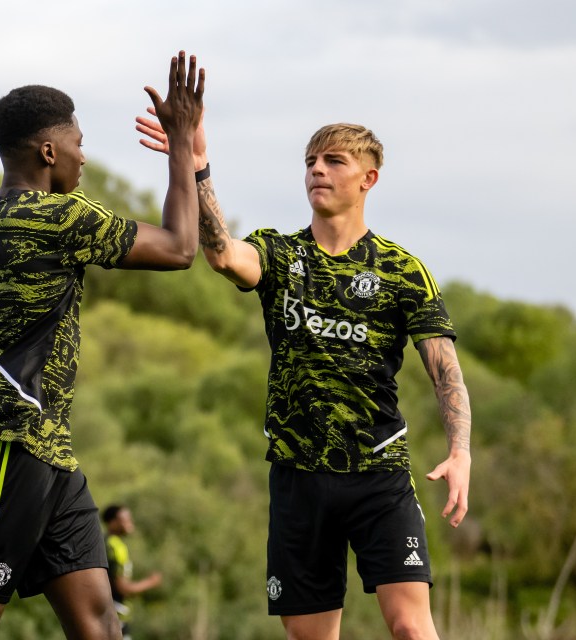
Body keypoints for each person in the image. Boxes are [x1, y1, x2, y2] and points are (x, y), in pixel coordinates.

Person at [0, 51, 203, 640]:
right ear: (48, 152)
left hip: (50, 455)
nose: (83, 156)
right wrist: (182, 142)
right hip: (2, 451)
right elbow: (179, 247)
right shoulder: (60, 217)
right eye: (78, 143)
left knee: (99, 625)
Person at [135, 115, 472, 639]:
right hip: (298, 476)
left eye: (334, 161)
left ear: (369, 178)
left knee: (410, 626)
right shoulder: (280, 252)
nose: (317, 170)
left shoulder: (402, 270)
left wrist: (460, 451)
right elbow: (222, 253)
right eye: (311, 161)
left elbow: (445, 370)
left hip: (377, 474)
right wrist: (198, 166)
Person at [101, 505, 163, 639]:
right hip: (116, 615)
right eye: (124, 519)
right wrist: (151, 582)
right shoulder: (114, 546)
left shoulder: (112, 543)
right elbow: (122, 587)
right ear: (112, 522)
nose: (130, 522)